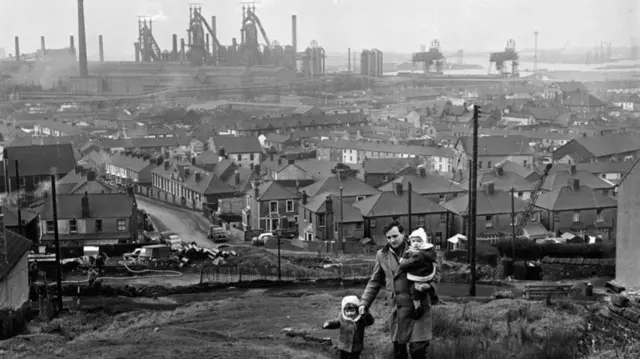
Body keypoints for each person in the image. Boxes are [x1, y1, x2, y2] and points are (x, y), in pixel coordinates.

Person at [359, 221, 441, 359]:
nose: (392, 240)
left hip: (418, 307)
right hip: (397, 310)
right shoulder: (381, 255)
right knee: (399, 353)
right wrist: (364, 303)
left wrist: (429, 286)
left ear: (403, 235)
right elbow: (375, 281)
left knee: (418, 351)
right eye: (388, 238)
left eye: (395, 236)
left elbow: (436, 272)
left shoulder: (418, 247)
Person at [399, 227, 440, 319]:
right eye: (413, 241)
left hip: (420, 277)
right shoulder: (416, 251)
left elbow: (438, 271)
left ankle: (418, 307)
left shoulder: (419, 254)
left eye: (418, 241)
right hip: (400, 302)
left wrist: (431, 286)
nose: (416, 243)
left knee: (415, 291)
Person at [322, 295, 375, 359]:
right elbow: (336, 322)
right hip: (343, 345)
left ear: (357, 310)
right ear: (344, 311)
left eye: (352, 311)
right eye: (347, 311)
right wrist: (328, 324)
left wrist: (366, 314)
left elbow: (370, 321)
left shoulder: (361, 319)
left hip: (356, 347)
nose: (349, 313)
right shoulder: (342, 318)